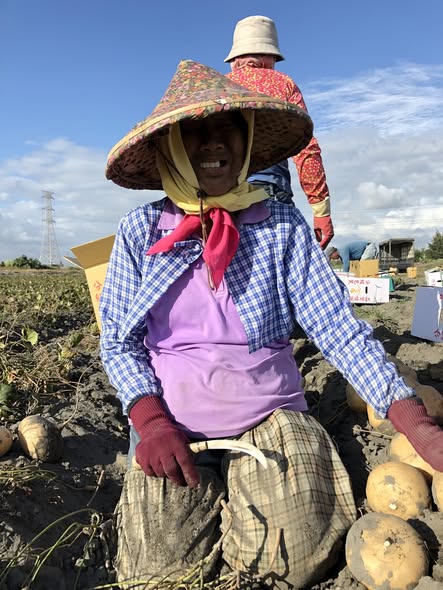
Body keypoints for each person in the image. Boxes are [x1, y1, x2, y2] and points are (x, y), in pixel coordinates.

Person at [100, 60, 443, 587]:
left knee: (289, 561)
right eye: (196, 132)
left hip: (269, 415)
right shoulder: (141, 230)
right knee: (157, 573)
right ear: (171, 147)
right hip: (174, 424)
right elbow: (120, 343)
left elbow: (338, 329)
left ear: (247, 141)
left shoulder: (279, 223)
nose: (215, 143)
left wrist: (415, 423)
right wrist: (151, 423)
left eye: (229, 129)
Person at [225, 15, 334, 250]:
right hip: (269, 194)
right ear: (269, 57)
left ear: (234, 59)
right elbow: (306, 149)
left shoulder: (217, 88)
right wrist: (321, 209)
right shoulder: (283, 84)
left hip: (220, 199)